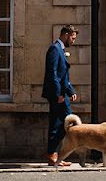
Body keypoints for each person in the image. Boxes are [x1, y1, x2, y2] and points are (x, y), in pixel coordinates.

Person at [42, 25, 78, 166]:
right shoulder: (55, 49)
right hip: (57, 95)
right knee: (68, 122)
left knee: (58, 124)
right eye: (73, 38)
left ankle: (53, 153)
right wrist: (58, 94)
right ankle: (53, 153)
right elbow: (53, 74)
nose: (74, 41)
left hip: (61, 93)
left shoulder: (60, 50)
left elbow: (63, 76)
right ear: (66, 35)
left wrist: (71, 91)